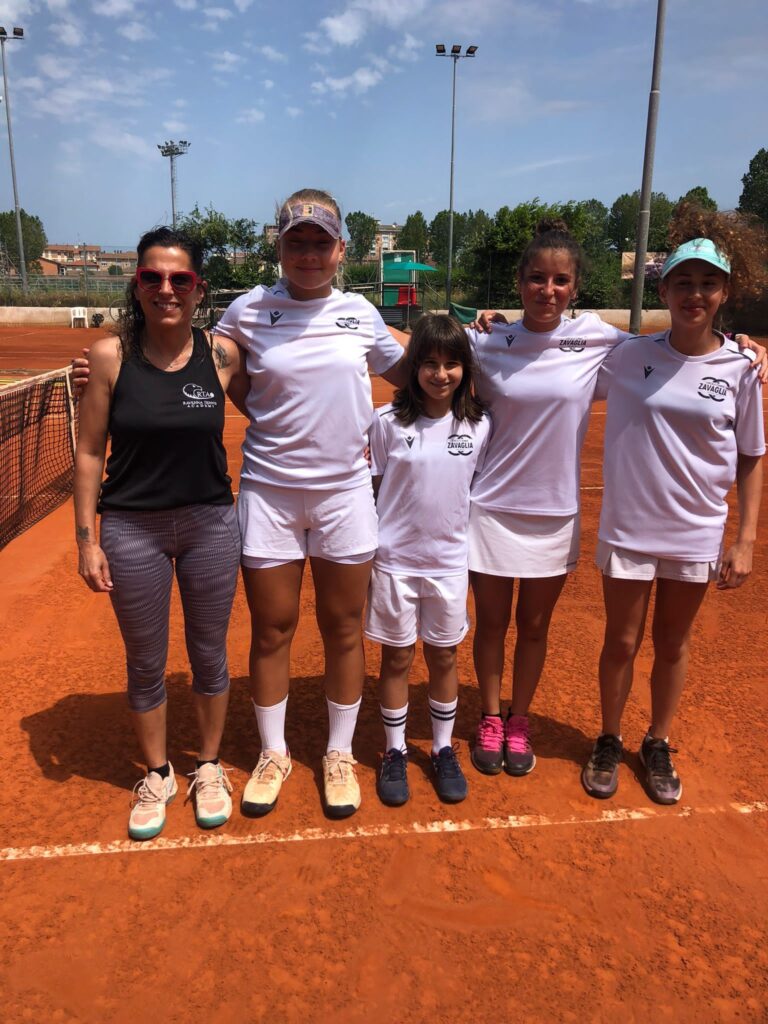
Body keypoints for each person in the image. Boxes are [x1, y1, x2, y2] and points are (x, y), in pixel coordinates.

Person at [466, 219, 767, 780]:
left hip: (621, 520)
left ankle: (630, 737)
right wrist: (485, 320)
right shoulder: (504, 341)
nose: (548, 289)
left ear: (576, 287)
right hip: (530, 513)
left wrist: (745, 343)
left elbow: (747, 445)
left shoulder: (623, 346)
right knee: (522, 629)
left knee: (641, 640)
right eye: (536, 278)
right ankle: (526, 723)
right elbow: (429, 360)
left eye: (560, 280)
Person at [212, 188, 407, 820]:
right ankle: (273, 753)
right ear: (279, 246)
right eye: (296, 241)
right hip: (269, 492)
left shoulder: (361, 314)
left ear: (341, 249)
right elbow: (202, 368)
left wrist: (489, 338)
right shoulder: (247, 310)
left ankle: (339, 753)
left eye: (320, 242)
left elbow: (421, 370)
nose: (308, 253)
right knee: (271, 628)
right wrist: (110, 366)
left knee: (343, 627)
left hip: (346, 493)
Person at [581, 208, 766, 804]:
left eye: (708, 283)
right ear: (663, 290)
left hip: (695, 531)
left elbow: (751, 456)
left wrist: (745, 540)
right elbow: (556, 344)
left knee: (673, 643)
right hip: (628, 528)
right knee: (621, 641)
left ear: (725, 292)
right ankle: (609, 737)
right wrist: (488, 325)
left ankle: (656, 741)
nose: (695, 294)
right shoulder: (626, 354)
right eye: (683, 282)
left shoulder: (742, 368)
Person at [74, 226, 248, 840]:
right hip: (131, 529)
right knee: (145, 660)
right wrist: (86, 539)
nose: (166, 289)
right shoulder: (108, 357)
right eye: (152, 277)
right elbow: (89, 451)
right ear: (137, 284)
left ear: (199, 287)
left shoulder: (223, 355)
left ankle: (209, 766)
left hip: (210, 524)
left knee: (209, 653)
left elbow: (281, 405)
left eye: (180, 278)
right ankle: (157, 773)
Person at [366, 314, 491, 806]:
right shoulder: (386, 423)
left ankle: (441, 747)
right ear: (414, 366)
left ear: (465, 369)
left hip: (448, 563)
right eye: (430, 364)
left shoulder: (479, 425)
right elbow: (375, 487)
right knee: (397, 657)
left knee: (444, 655)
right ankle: (395, 750)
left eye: (452, 364)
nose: (441, 374)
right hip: (395, 561)